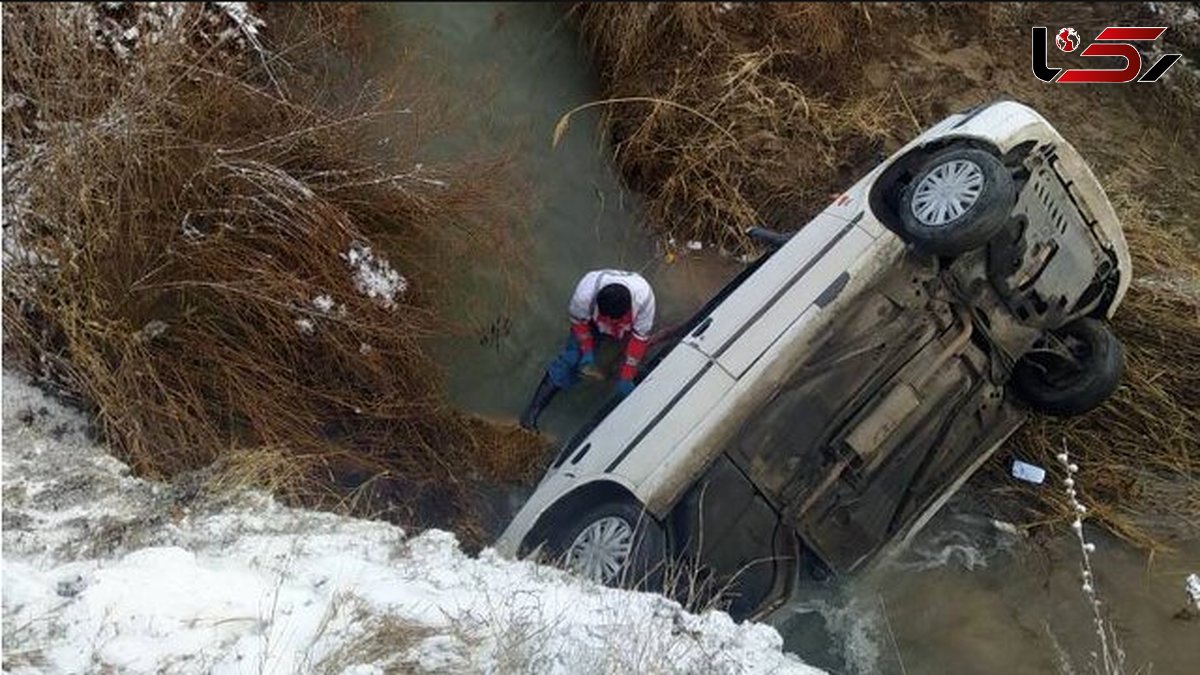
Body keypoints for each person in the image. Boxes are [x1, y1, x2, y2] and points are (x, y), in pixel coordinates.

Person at [519, 269, 656, 431]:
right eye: (607, 318)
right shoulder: (584, 295)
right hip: (591, 320)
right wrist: (586, 350)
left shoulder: (645, 301)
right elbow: (579, 322)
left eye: (614, 319)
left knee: (623, 362)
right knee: (570, 359)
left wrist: (627, 374)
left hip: (626, 324)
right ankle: (532, 412)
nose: (610, 322)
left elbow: (639, 339)